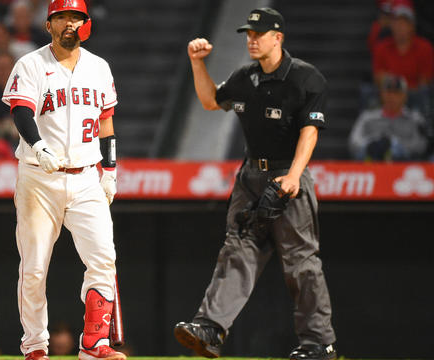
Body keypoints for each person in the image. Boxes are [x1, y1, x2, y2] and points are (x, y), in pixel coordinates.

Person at [174, 8, 337, 360]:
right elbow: (209, 101)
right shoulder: (244, 77)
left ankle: (318, 343)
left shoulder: (306, 78)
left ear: (278, 37)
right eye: (248, 34)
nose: (251, 39)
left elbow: (310, 132)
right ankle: (211, 329)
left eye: (258, 34)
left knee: (301, 264)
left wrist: (294, 176)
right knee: (237, 251)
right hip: (251, 176)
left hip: (287, 174)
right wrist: (197, 63)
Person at [1, 1, 123, 360]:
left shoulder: (99, 67)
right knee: (35, 267)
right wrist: (37, 146)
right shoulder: (32, 63)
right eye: (63, 17)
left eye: (77, 18)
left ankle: (94, 343)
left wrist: (111, 170)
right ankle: (36, 346)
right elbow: (21, 110)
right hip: (40, 177)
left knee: (103, 258)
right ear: (49, 23)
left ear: (85, 24)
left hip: (87, 177)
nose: (70, 24)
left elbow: (106, 123)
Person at [350, 75, 429, 161]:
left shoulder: (414, 119)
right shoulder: (367, 117)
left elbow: (421, 145)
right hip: (374, 164)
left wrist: (395, 145)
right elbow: (353, 142)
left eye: (396, 93)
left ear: (405, 96)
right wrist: (370, 144)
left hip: (404, 166)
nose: (391, 97)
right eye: (388, 92)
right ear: (381, 94)